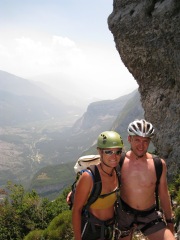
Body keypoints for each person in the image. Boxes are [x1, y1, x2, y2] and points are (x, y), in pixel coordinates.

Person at [115, 119, 175, 240]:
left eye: (145, 141)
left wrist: (169, 221)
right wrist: (77, 189)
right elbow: (99, 172)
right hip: (124, 213)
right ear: (129, 139)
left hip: (149, 214)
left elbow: (163, 194)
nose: (141, 145)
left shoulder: (158, 164)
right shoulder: (119, 160)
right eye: (137, 140)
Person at [72, 131, 124, 240]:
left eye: (118, 152)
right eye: (109, 152)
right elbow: (76, 210)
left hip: (110, 228)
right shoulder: (89, 177)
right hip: (92, 231)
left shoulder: (117, 171)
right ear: (100, 152)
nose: (114, 156)